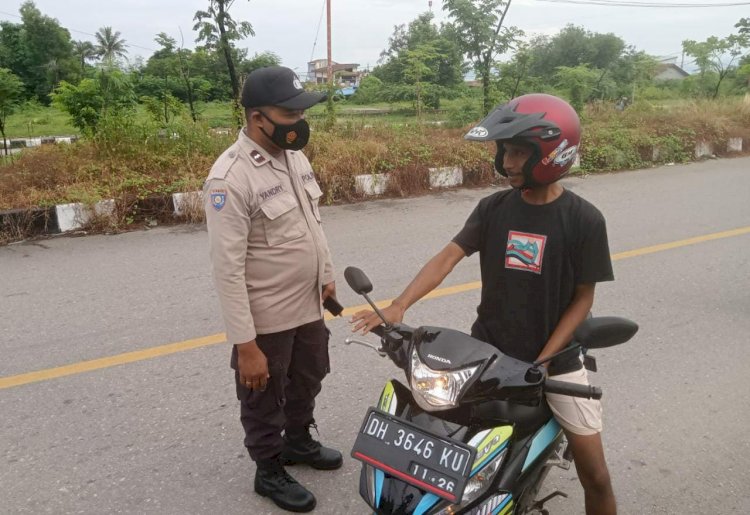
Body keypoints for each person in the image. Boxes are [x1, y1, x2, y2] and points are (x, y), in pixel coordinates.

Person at [351, 93, 617, 515]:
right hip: (488, 357)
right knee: (443, 442)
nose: (507, 162)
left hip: (556, 362)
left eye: (517, 152)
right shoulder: (493, 208)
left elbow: (584, 299)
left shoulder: (584, 220)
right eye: (504, 151)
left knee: (595, 474)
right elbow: (448, 256)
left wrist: (545, 362)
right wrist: (399, 306)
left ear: (551, 153)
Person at [204, 66, 342, 513]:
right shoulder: (230, 177)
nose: (300, 118)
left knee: (310, 374)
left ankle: (298, 441)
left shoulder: (294, 157)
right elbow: (227, 270)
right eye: (290, 111)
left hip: (307, 306)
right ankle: (268, 469)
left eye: (301, 109)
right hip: (265, 316)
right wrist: (245, 343)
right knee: (263, 394)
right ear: (257, 117)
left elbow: (311, 224)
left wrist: (326, 274)